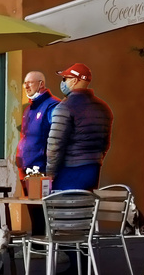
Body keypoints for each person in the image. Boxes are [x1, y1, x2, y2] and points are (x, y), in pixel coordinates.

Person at [45, 63, 113, 192]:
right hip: (93, 169)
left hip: (69, 170)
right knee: (85, 208)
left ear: (75, 80)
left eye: (65, 79)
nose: (63, 82)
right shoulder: (103, 108)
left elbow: (55, 144)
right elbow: (105, 143)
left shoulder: (64, 107)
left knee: (63, 209)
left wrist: (50, 173)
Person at [16, 71, 59, 175]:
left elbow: (57, 139)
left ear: (41, 84)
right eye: (25, 83)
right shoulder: (28, 109)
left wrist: (50, 169)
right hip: (26, 168)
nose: (26, 86)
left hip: (41, 170)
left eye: (30, 82)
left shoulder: (53, 106)